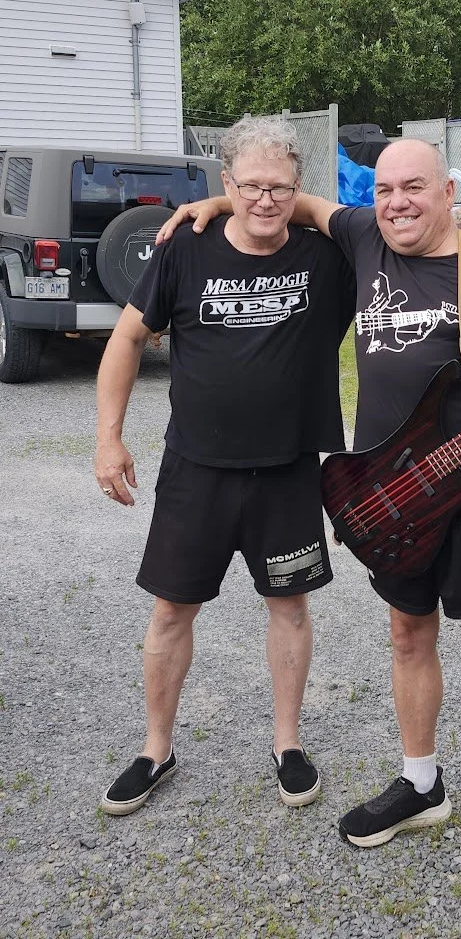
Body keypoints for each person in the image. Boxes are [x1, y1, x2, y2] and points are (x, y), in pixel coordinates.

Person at [160, 121, 461, 916]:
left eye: (416, 188)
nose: (398, 203)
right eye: (387, 189)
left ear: (448, 195)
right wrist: (202, 207)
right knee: (408, 636)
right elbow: (285, 199)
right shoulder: (364, 235)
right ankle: (420, 779)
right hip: (393, 494)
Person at [94, 116, 355, 815]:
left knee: (289, 606)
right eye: (250, 186)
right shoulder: (186, 249)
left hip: (289, 470)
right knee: (172, 609)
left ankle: (288, 744)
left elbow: (416, 235)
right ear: (226, 182)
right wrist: (108, 436)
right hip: (196, 471)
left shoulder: (327, 258)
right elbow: (126, 339)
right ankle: (155, 749)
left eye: (280, 187)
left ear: (298, 188)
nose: (265, 200)